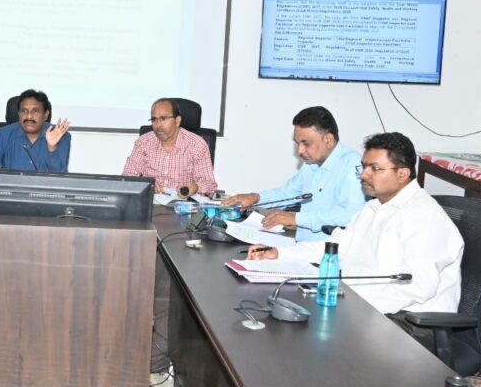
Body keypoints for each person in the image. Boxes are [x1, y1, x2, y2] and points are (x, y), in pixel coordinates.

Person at [248, 132, 463, 323]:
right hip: (366, 310)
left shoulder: (424, 217)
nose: (364, 174)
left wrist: (349, 306)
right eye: (364, 167)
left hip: (406, 323)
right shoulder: (373, 207)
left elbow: (416, 287)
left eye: (374, 168)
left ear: (402, 174)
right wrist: (279, 254)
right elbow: (335, 248)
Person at [223, 106, 365, 242]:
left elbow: (349, 216)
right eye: (297, 143)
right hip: (303, 247)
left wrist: (296, 218)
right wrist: (255, 197)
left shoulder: (352, 163)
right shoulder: (311, 163)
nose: (300, 151)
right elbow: (287, 193)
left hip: (331, 253)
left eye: (306, 143)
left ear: (328, 140)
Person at [122, 98, 217, 197]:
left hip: (183, 202)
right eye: (154, 120)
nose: (158, 125)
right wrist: (146, 183)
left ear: (177, 121)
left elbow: (209, 184)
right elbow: (128, 176)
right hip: (151, 201)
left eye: (163, 119)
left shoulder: (197, 145)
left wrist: (195, 187)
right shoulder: (143, 142)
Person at [0, 89, 71, 172]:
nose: (29, 116)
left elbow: (60, 177)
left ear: (46, 115)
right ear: (18, 113)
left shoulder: (60, 136)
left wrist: (52, 148)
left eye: (35, 111)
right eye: (24, 111)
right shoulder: (2, 135)